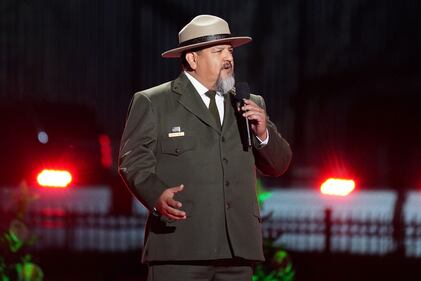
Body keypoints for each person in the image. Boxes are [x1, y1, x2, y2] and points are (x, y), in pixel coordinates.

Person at [119, 14, 292, 281]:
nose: (228, 58)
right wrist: (156, 196)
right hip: (180, 249)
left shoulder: (249, 103)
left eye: (230, 51)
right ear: (192, 58)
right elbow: (132, 160)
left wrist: (263, 133)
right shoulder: (154, 102)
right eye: (218, 50)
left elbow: (279, 165)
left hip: (237, 252)